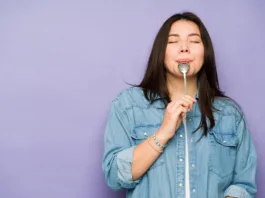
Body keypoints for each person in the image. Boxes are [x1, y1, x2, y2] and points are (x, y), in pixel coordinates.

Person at [102, 12, 257, 198]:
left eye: (194, 41)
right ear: (161, 51)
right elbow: (114, 176)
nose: (184, 48)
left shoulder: (230, 114)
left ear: (205, 51)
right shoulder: (128, 105)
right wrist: (164, 133)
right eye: (173, 41)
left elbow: (243, 185)